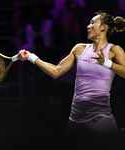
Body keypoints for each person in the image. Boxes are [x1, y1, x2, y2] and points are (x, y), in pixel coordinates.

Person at [17, 11, 125, 148]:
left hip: (100, 116)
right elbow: (56, 71)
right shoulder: (79, 49)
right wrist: (32, 57)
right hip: (76, 117)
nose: (88, 26)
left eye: (92, 23)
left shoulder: (114, 50)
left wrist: (108, 64)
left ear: (103, 27)